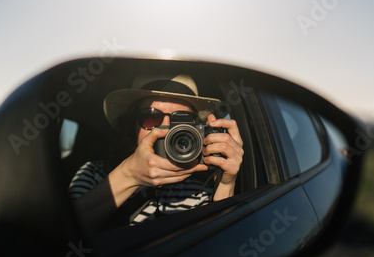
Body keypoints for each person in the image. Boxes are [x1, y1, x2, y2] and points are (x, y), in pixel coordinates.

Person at [69, 74, 244, 235]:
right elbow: (61, 236)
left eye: (181, 119)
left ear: (198, 130)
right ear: (132, 125)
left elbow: (219, 244)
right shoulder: (94, 174)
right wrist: (128, 175)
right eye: (151, 117)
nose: (166, 130)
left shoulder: (198, 191)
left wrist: (225, 184)